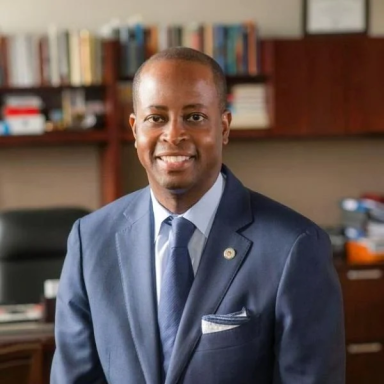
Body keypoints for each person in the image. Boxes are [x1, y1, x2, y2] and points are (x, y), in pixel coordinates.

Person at [51, 47, 345, 384]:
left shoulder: (294, 247)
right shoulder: (89, 240)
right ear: (135, 130)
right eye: (156, 118)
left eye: (194, 117)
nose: (174, 135)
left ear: (223, 127)